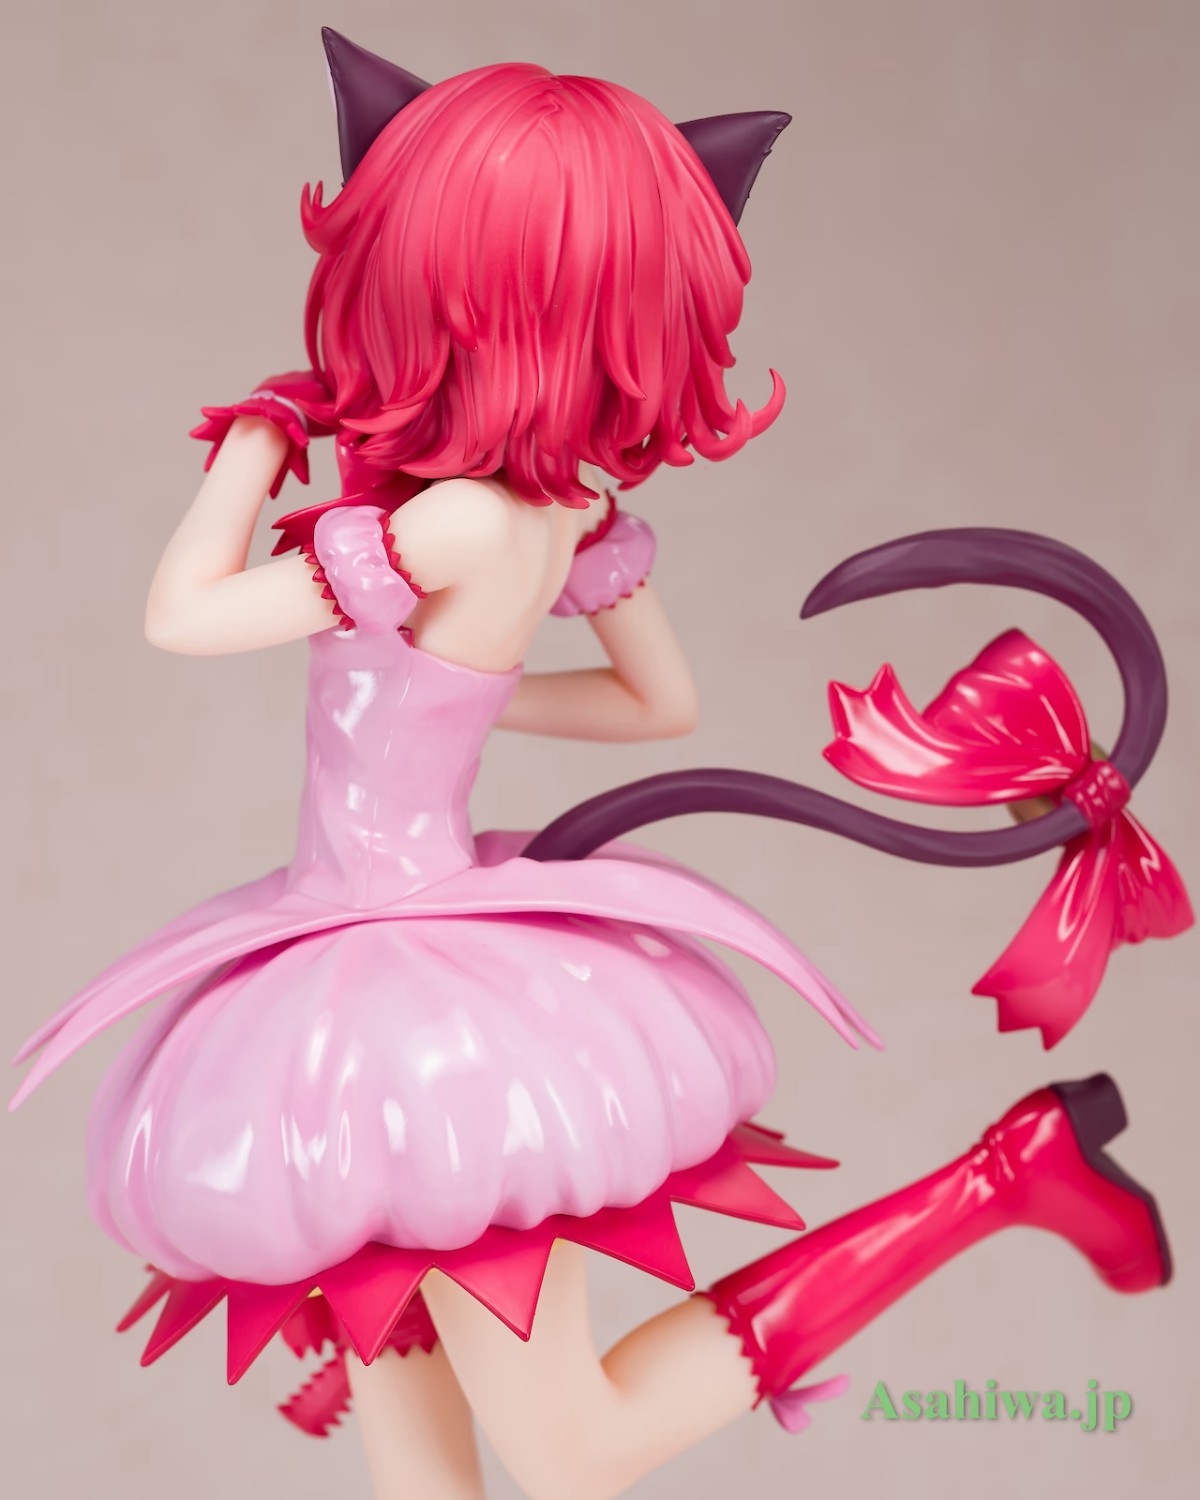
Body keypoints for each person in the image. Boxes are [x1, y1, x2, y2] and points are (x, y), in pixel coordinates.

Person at [11, 32, 1184, 1500]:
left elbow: (182, 615)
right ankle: (1004, 1178)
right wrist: (445, 703)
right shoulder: (558, 515)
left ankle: (1003, 1179)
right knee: (422, 1466)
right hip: (381, 962)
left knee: (568, 1454)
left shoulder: (449, 526)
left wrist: (254, 439)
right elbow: (655, 706)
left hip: (399, 1000)